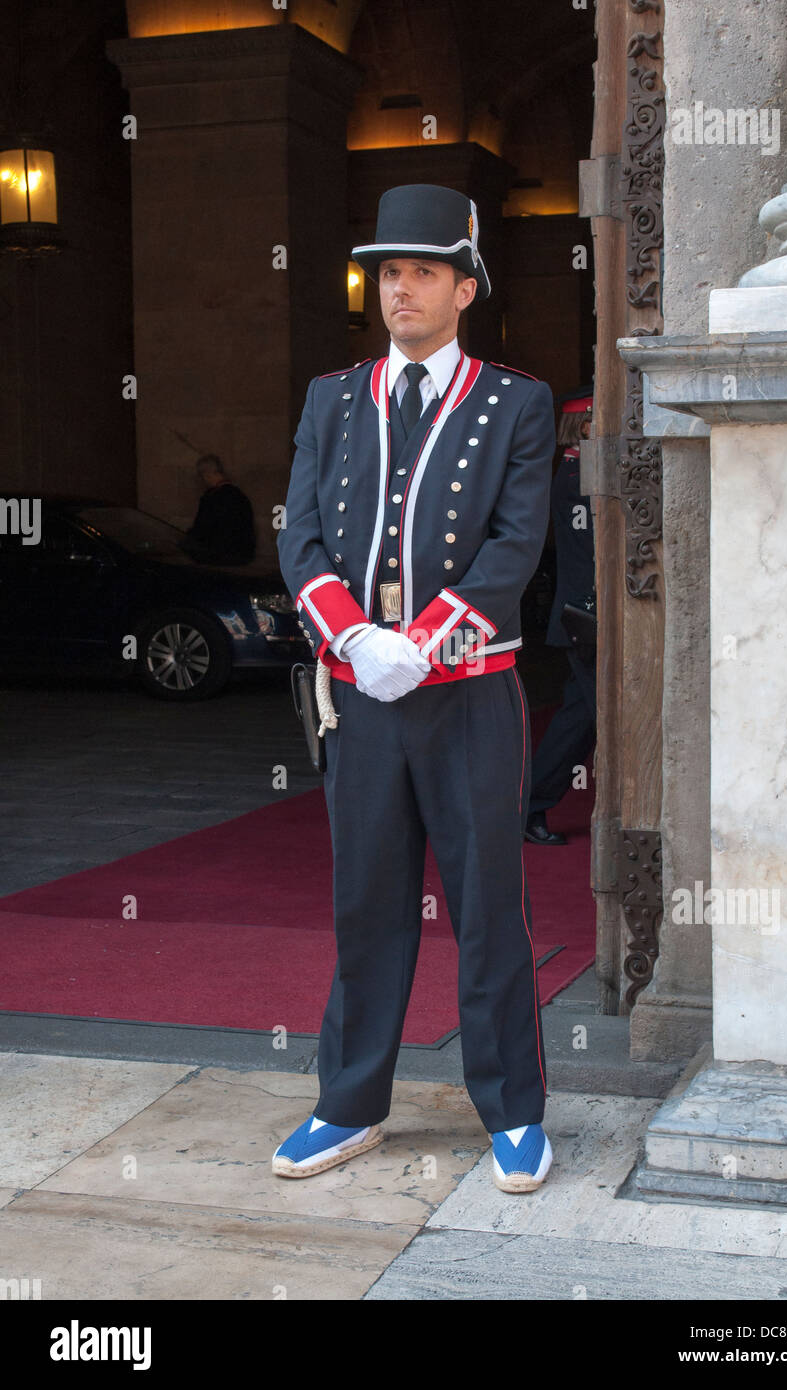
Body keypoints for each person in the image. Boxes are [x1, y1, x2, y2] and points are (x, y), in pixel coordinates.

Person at [274, 183, 557, 1193]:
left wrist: (425, 643)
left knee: (487, 908)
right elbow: (297, 532)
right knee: (367, 904)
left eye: (422, 271)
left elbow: (514, 544)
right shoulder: (331, 397)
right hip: (359, 693)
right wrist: (350, 634)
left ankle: (514, 1112)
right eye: (387, 271)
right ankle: (346, 1102)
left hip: (468, 695)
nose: (398, 288)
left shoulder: (513, 401)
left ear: (464, 284)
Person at [524, 401, 597, 846]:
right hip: (585, 617)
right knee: (605, 716)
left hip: (584, 616)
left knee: (580, 719)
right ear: (584, 424)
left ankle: (528, 805)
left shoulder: (577, 472)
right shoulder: (577, 477)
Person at [180, 454, 256, 565]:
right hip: (243, 556)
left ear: (207, 475)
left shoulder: (211, 497)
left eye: (202, 476)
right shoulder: (240, 495)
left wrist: (186, 538)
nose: (203, 480)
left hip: (220, 555)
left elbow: (202, 529)